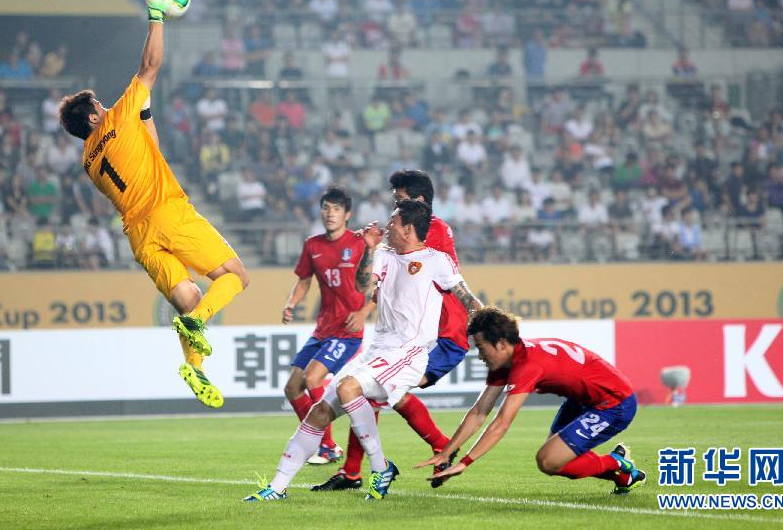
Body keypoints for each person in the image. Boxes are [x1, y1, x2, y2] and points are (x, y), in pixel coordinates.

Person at [58, 0, 249, 408]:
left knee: (189, 300)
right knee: (236, 276)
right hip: (167, 212)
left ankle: (195, 368)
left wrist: (144, 112)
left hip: (139, 235)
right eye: (102, 105)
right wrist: (156, 15)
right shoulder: (116, 119)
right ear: (93, 116)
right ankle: (197, 325)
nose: (109, 106)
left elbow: (150, 148)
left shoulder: (88, 159)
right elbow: (150, 66)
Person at [245, 200, 482, 502]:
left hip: (408, 351)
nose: (387, 225)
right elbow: (361, 286)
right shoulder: (382, 253)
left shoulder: (436, 260)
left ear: (408, 228)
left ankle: (380, 467)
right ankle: (276, 487)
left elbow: (466, 296)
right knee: (318, 413)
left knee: (348, 388)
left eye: (393, 221)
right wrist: (369, 248)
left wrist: (486, 317)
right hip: (378, 349)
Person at [315, 170, 475, 492]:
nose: (394, 208)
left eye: (398, 200)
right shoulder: (406, 234)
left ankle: (433, 449)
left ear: (416, 202)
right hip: (413, 334)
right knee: (375, 390)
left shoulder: (432, 230)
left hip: (439, 333)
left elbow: (415, 281)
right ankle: (361, 470)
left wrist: (363, 309)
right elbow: (390, 284)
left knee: (374, 389)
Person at [420, 307, 645, 494]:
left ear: (500, 344)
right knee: (557, 460)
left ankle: (617, 463)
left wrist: (465, 463)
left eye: (480, 348)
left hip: (614, 403)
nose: (479, 355)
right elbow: (479, 411)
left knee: (549, 460)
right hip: (581, 401)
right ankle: (623, 476)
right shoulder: (507, 361)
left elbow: (502, 423)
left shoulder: (527, 365)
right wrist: (447, 452)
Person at [281, 186, 368, 465]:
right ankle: (322, 441)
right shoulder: (313, 245)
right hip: (323, 330)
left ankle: (327, 445)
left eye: (336, 209)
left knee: (313, 379)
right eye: (326, 208)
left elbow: (378, 282)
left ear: (347, 214)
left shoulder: (359, 243)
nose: (330, 214)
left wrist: (365, 312)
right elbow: (304, 281)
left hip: (347, 330)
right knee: (292, 388)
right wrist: (291, 302)